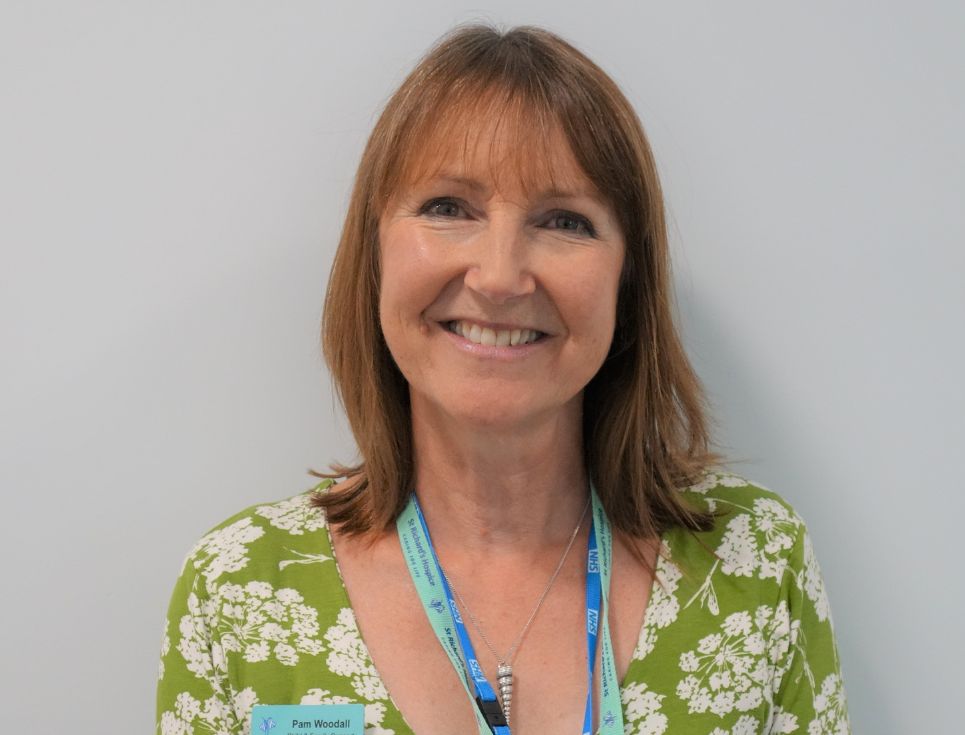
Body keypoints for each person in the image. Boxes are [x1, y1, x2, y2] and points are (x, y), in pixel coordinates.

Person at [156, 24, 851, 735]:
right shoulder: (241, 585)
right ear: (375, 252)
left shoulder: (751, 563)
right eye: (448, 208)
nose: (497, 277)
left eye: (563, 221)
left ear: (625, 280)